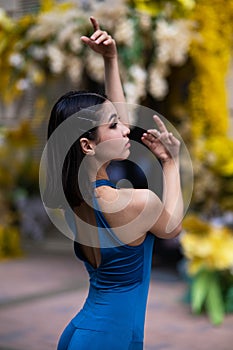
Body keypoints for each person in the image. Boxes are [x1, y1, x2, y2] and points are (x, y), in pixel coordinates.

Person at [44, 17, 183, 350]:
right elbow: (172, 227)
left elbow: (114, 119)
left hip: (83, 332)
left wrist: (110, 61)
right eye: (115, 126)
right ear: (87, 145)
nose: (126, 130)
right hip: (109, 340)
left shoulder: (72, 196)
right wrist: (170, 162)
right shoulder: (135, 202)